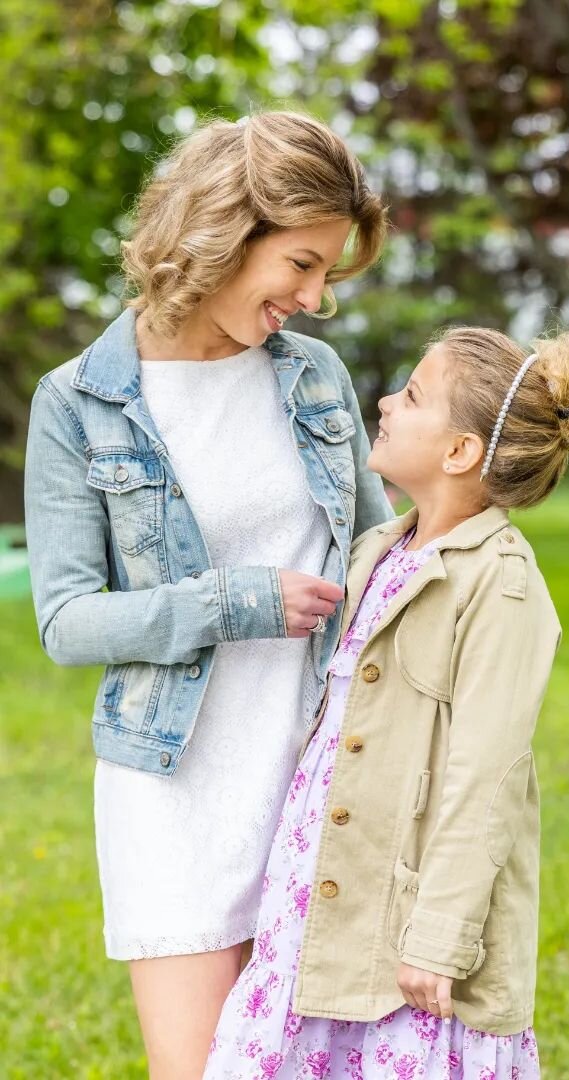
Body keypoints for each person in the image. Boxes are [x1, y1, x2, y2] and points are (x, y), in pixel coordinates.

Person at [23, 111, 393, 1079]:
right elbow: (66, 622)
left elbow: (380, 553)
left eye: (328, 273)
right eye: (302, 265)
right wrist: (234, 602)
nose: (316, 299)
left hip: (320, 781)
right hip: (174, 790)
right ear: (227, 232)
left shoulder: (315, 381)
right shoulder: (78, 404)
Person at [203, 326, 569, 1078]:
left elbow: (486, 778)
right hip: (321, 889)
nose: (386, 401)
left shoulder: (499, 585)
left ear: (460, 452)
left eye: (413, 394)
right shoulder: (381, 551)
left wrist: (439, 937)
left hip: (402, 924)